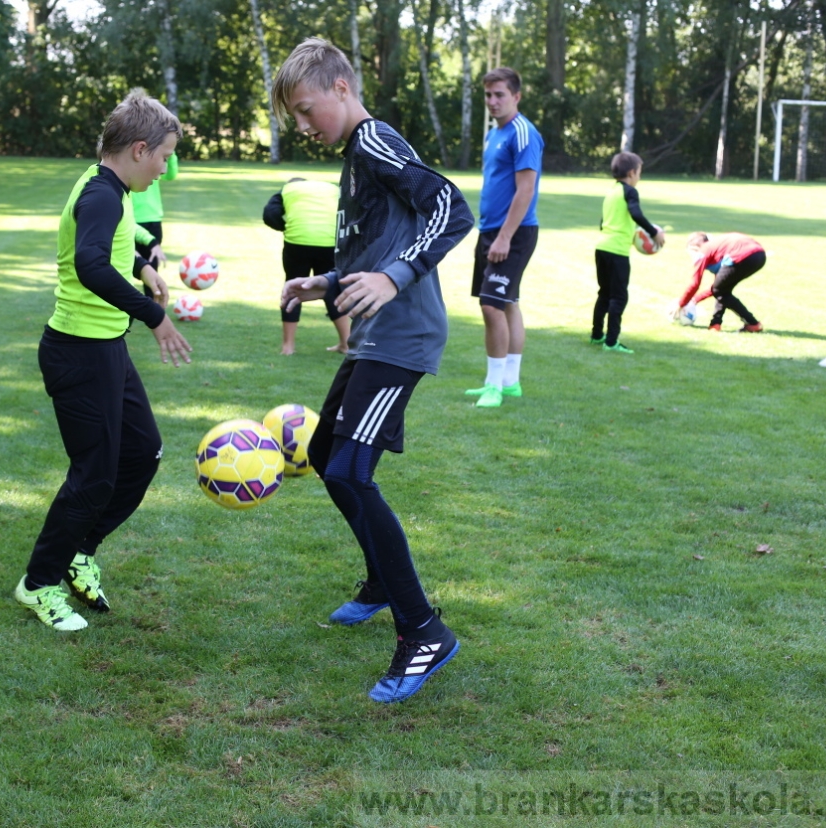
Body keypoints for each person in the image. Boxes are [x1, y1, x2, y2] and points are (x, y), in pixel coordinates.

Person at [273, 38, 474, 703]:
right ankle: (381, 583)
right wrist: (325, 281)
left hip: (402, 335)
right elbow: (378, 240)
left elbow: (452, 208)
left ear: (339, 87)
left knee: (350, 474)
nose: (304, 127)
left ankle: (423, 630)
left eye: (306, 110)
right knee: (329, 454)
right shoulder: (358, 155)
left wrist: (392, 280)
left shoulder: (375, 138)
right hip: (372, 334)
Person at [15, 89, 193, 632]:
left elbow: (104, 245)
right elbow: (90, 263)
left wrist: (142, 265)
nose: (164, 169)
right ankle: (38, 583)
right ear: (139, 149)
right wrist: (153, 314)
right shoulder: (101, 195)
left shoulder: (109, 189)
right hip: (78, 353)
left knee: (143, 453)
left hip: (105, 348)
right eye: (163, 156)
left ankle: (80, 550)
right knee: (93, 476)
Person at [464, 67, 544, 409]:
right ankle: (510, 383)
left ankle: (494, 386)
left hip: (513, 233)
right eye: (488, 95)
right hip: (491, 231)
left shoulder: (523, 133)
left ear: (516, 96)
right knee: (507, 302)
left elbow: (525, 190)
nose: (492, 101)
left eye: (500, 95)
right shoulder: (493, 134)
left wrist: (504, 238)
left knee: (491, 305)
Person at [262, 177, 351, 355]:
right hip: (329, 242)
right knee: (332, 289)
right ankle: (346, 344)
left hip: (297, 241)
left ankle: (288, 347)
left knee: (293, 288)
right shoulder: (332, 189)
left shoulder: (287, 190)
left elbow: (270, 215)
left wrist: (285, 227)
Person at [592, 151, 665, 354]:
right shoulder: (629, 191)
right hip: (617, 252)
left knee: (604, 294)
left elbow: (604, 222)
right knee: (619, 297)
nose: (639, 177)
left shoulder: (611, 192)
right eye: (640, 173)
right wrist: (653, 233)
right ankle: (612, 341)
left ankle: (597, 335)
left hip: (602, 248)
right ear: (632, 173)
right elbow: (636, 213)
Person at [676, 232, 766, 332]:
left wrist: (681, 304)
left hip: (742, 255)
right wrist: (695, 300)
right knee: (722, 290)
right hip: (760, 255)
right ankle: (715, 324)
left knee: (720, 290)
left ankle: (753, 323)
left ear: (694, 247)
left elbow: (695, 284)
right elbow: (718, 288)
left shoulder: (703, 250)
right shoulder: (718, 248)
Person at [133, 150, 177, 270]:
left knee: (151, 268)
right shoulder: (130, 165)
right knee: (130, 268)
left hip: (153, 219)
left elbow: (170, 175)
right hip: (133, 220)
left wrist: (170, 153)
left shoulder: (153, 160)